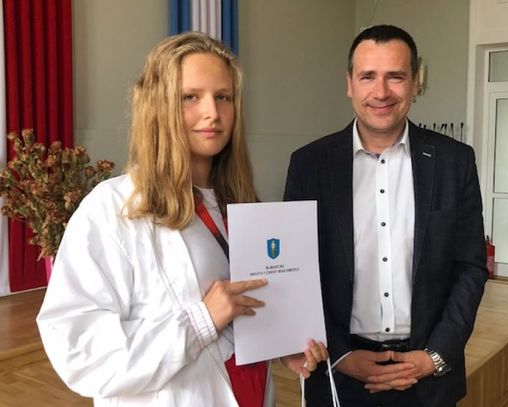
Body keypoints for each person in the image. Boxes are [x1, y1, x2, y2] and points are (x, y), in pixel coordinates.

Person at [37, 32, 327, 407]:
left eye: (223, 97)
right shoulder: (112, 209)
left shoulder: (239, 204)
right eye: (190, 97)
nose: (212, 113)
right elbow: (78, 352)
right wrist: (201, 321)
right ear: (158, 106)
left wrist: (278, 344)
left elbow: (244, 311)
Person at [284, 25, 487, 407]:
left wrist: (435, 356)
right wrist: (340, 354)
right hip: (338, 374)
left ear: (415, 83)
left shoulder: (455, 161)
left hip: (427, 377)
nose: (381, 92)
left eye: (395, 76)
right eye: (368, 77)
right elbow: (298, 272)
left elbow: (470, 267)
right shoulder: (309, 165)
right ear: (349, 83)